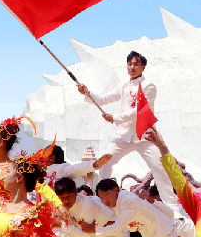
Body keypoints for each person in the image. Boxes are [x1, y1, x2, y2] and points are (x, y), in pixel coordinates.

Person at [76, 51, 178, 209]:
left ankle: (173, 207)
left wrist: (115, 118)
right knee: (105, 162)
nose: (132, 67)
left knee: (159, 168)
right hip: (124, 136)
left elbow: (140, 111)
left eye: (136, 64)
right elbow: (103, 99)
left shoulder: (149, 86)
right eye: (129, 64)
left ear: (143, 67)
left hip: (145, 136)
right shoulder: (123, 85)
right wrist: (87, 93)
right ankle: (101, 201)